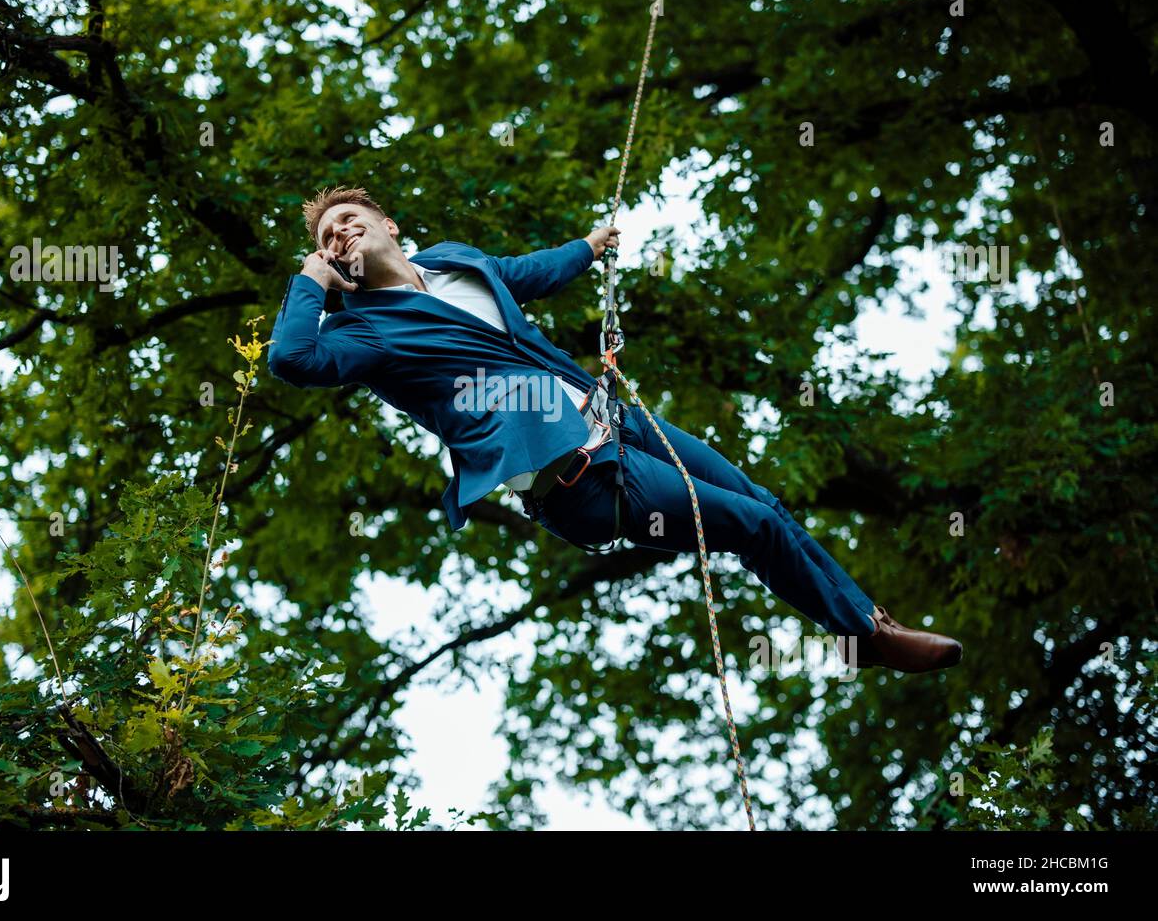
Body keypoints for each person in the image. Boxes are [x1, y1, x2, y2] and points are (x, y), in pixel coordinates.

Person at [268, 186, 962, 673]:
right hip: (582, 475)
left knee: (769, 503)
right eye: (327, 238)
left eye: (348, 219)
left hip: (616, 417)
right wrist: (310, 282)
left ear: (387, 223)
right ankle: (859, 637)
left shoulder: (453, 261)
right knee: (754, 525)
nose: (338, 233)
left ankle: (871, 622)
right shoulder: (362, 333)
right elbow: (293, 359)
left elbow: (524, 274)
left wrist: (589, 246)